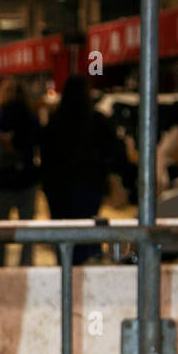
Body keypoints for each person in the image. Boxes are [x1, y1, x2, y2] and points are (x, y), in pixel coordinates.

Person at [39, 75, 133, 265]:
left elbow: (45, 154)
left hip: (58, 190)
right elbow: (115, 151)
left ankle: (65, 271)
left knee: (64, 234)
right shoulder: (96, 120)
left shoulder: (56, 120)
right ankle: (83, 273)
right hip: (89, 187)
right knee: (86, 233)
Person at [0, 78, 41, 265]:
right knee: (27, 229)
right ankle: (26, 265)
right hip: (26, 180)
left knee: (0, 230)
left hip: (1, 181)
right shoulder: (31, 120)